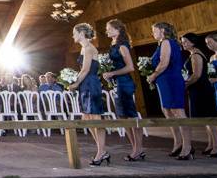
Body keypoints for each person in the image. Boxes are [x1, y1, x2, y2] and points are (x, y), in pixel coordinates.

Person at [147, 22, 192, 160]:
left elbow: (165, 62)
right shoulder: (162, 43)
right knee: (167, 111)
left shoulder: (167, 42)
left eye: (154, 30)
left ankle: (188, 147)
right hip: (164, 81)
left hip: (171, 79)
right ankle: (178, 143)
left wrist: (153, 75)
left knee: (178, 111)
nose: (153, 33)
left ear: (162, 30)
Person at [103, 19, 144, 161]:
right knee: (122, 116)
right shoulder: (113, 44)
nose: (106, 31)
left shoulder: (122, 46)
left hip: (125, 83)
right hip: (117, 84)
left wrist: (113, 73)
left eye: (109, 28)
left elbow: (130, 67)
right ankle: (135, 147)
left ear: (117, 29)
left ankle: (138, 149)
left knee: (131, 115)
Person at [69, 23, 107, 166]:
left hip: (91, 84)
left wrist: (75, 84)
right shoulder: (83, 48)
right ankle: (101, 149)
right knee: (86, 118)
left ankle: (101, 151)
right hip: (85, 85)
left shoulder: (89, 48)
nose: (73, 35)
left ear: (82, 33)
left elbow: (85, 70)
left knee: (96, 118)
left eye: (75, 32)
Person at [181, 33, 217, 157]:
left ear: (192, 42)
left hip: (201, 89)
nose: (183, 44)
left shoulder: (196, 55)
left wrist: (185, 84)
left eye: (185, 41)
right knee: (205, 119)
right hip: (198, 89)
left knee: (209, 118)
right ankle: (211, 144)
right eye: (182, 41)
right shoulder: (194, 53)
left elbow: (197, 75)